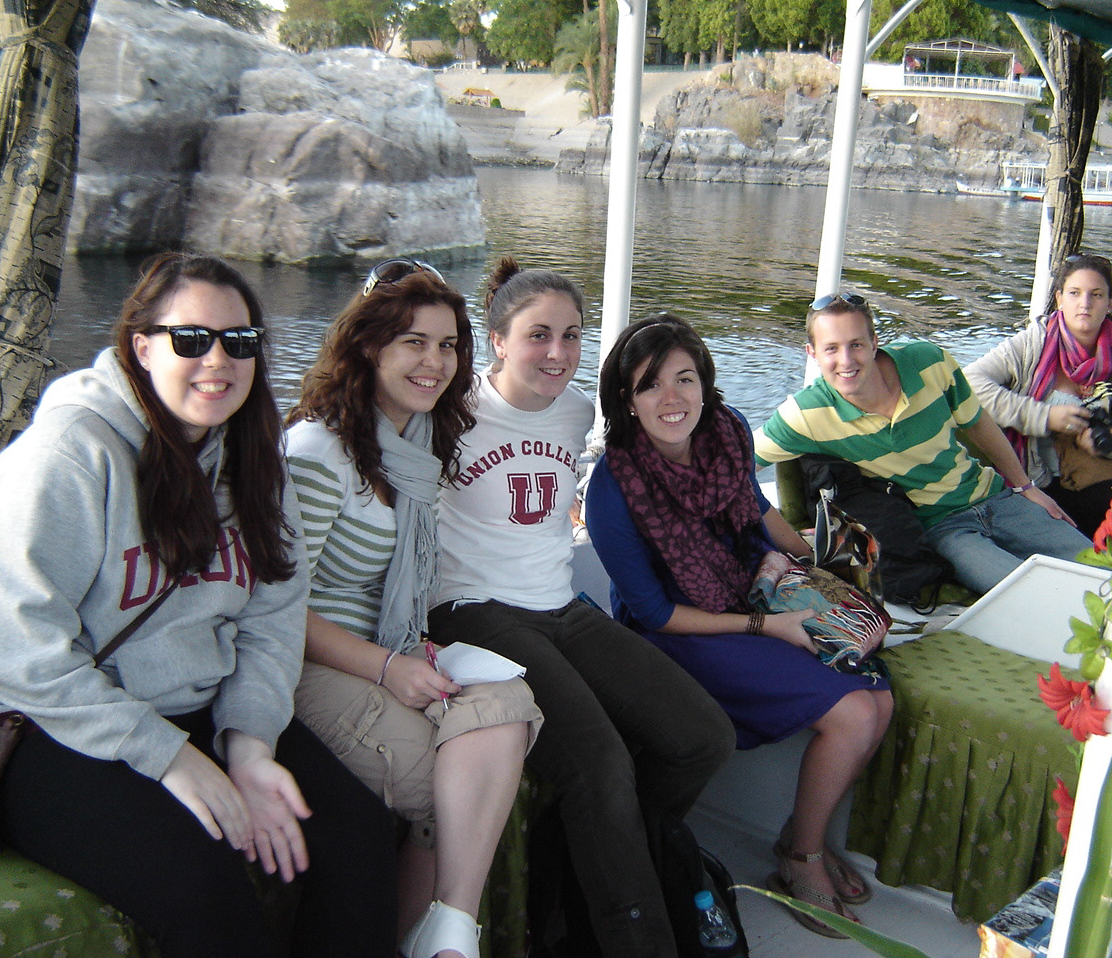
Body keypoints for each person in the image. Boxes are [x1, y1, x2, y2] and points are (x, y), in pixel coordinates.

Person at [0, 254, 396, 958]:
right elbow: (19, 653)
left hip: (194, 706)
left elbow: (272, 618)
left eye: (239, 341)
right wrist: (171, 759)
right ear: (143, 347)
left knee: (359, 838)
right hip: (49, 724)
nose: (218, 360)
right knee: (205, 884)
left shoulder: (253, 460)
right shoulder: (68, 453)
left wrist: (249, 744)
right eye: (191, 339)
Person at [426, 257, 735, 958]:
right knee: (599, 764)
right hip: (473, 608)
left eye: (571, 335)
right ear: (497, 340)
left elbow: (662, 437)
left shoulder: (575, 411)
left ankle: (579, 871)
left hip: (560, 605)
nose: (558, 353)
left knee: (701, 736)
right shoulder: (451, 411)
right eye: (538, 335)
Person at [585, 314, 893, 939]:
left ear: (705, 382)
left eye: (685, 378)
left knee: (881, 696)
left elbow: (756, 510)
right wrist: (765, 627)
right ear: (626, 398)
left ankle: (799, 838)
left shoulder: (727, 433)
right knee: (855, 713)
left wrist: (817, 562)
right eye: (650, 385)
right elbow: (654, 613)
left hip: (753, 585)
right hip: (682, 630)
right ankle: (802, 858)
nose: (672, 398)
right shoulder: (613, 490)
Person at [284, 258, 543, 958]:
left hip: (390, 647)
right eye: (414, 343)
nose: (435, 362)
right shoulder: (319, 453)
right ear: (369, 348)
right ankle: (443, 941)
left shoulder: (416, 447)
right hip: (310, 663)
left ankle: (448, 929)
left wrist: (408, 653)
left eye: (448, 345)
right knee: (450, 785)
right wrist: (388, 667)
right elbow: (273, 609)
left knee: (510, 702)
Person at [754, 292, 1091, 596]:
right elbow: (736, 462)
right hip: (943, 529)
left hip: (996, 497)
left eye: (856, 344)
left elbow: (977, 423)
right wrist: (795, 545)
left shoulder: (930, 361)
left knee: (1100, 569)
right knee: (1029, 593)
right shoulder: (805, 414)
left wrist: (1025, 486)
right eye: (831, 348)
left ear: (874, 342)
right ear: (812, 353)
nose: (846, 360)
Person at [965, 254, 1112, 535]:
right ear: (1059, 298)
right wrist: (1044, 416)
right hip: (1036, 483)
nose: (1085, 303)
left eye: (1096, 295)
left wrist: (1111, 442)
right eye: (1075, 293)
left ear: (1110, 302)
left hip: (1103, 480)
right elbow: (969, 382)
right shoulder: (1033, 343)